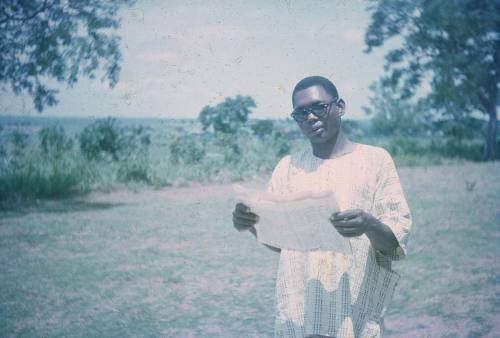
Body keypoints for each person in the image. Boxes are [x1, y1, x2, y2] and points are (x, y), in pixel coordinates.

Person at [232, 75, 412, 338]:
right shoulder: (288, 167)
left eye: (319, 107)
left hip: (353, 313)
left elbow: (395, 245)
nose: (311, 118)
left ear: (340, 107)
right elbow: (282, 245)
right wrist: (251, 226)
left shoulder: (376, 160)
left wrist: (369, 224)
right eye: (301, 113)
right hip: (300, 312)